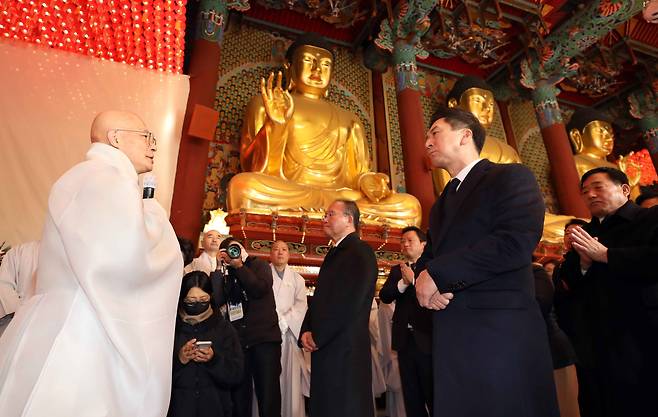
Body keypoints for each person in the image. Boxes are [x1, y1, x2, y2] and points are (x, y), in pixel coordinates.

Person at [0, 110, 183, 416]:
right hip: (84, 329)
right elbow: (124, 258)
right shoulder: (106, 179)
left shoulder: (83, 177)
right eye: (146, 137)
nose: (153, 146)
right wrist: (154, 215)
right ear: (116, 138)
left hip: (58, 318)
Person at [415, 106, 559, 417]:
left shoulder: (509, 175)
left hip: (499, 331)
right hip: (452, 331)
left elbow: (515, 241)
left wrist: (439, 275)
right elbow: (430, 257)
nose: (426, 142)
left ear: (465, 135)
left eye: (434, 133)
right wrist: (424, 278)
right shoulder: (441, 204)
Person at [227, 32, 421, 227]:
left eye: (326, 65)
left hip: (341, 197)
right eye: (309, 60)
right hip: (292, 192)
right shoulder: (264, 103)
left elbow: (359, 174)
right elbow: (255, 168)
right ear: (289, 65)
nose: (317, 69)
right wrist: (275, 124)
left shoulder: (350, 118)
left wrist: (368, 181)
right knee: (243, 186)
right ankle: (337, 218)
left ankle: (330, 215)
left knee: (409, 206)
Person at [560, 167, 658, 417]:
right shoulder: (585, 233)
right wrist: (583, 264)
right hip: (596, 337)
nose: (590, 195)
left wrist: (606, 255)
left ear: (624, 189)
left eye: (598, 187)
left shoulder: (648, 219)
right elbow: (569, 282)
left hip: (642, 330)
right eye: (584, 192)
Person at [299, 199, 378, 417]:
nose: (324, 219)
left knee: (345, 405)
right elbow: (321, 298)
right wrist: (306, 329)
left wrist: (319, 335)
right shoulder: (335, 252)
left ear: (349, 219)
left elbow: (350, 303)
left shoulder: (360, 252)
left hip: (345, 348)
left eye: (330, 214)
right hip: (327, 344)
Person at [210, 237, 281, 417]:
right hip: (240, 343)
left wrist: (240, 266)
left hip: (264, 341)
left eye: (236, 248)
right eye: (228, 252)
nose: (233, 254)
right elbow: (218, 300)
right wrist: (219, 267)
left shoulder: (259, 266)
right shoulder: (227, 274)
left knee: (268, 395)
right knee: (240, 396)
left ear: (243, 249)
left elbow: (258, 289)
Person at [168, 271, 244, 417]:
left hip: (216, 408)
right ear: (182, 299)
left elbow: (236, 374)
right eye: (191, 301)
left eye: (203, 299)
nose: (197, 304)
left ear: (211, 297)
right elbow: (155, 378)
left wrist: (213, 360)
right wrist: (179, 360)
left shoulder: (224, 329)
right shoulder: (171, 329)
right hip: (180, 408)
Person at [379, 226, 433, 417]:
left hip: (427, 340)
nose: (405, 244)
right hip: (404, 341)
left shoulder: (432, 269)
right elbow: (385, 296)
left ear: (423, 245)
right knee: (411, 396)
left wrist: (414, 279)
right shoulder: (397, 271)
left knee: (432, 393)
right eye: (402, 241)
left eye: (410, 240)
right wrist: (402, 283)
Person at [532, 264, 580, 417]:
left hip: (555, 354)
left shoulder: (536, 271)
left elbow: (540, 305)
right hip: (532, 355)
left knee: (565, 409)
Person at [268, 240, 308, 417]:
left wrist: (285, 322)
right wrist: (274, 320)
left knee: (291, 380)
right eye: (276, 249)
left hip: (290, 333)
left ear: (289, 254)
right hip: (268, 332)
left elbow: (301, 306)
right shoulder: (263, 274)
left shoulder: (297, 279)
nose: (280, 252)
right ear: (270, 254)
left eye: (284, 249)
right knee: (269, 379)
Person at [567, 108, 640, 199]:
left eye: (611, 135)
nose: (609, 138)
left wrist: (631, 184)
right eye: (600, 132)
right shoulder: (577, 163)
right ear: (576, 136)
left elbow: (636, 205)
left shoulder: (616, 168)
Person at [0, 240, 39, 317]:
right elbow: (3, 284)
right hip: (16, 320)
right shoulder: (19, 252)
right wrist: (20, 314)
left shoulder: (68, 256)